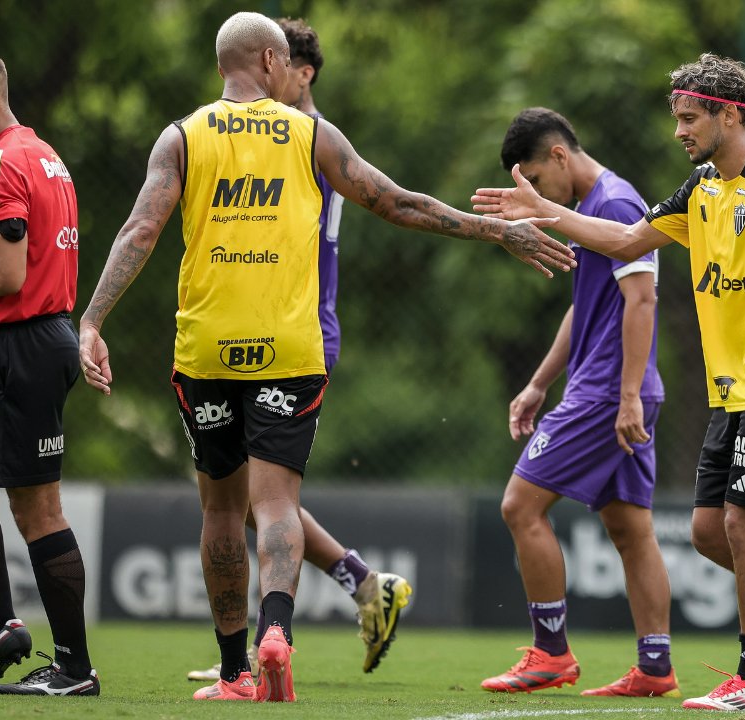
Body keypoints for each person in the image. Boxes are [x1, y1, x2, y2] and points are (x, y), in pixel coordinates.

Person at [77, 12, 573, 703]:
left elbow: (140, 228)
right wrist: (496, 230)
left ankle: (232, 673)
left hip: (208, 348)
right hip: (291, 345)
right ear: (274, 62)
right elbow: (399, 203)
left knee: (222, 511)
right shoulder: (311, 134)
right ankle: (275, 633)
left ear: (226, 65)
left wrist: (93, 319)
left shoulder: (181, 137)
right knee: (277, 501)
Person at [474, 53, 745, 713]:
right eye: (677, 117)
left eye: (690, 117)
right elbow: (627, 241)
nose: (679, 130)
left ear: (729, 113)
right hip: (734, 390)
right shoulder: (700, 187)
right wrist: (544, 214)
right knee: (706, 533)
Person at [184, 15, 412, 685]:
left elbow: (391, 203)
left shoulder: (309, 137)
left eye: (282, 62)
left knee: (255, 499)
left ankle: (306, 615)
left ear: (296, 71)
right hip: (268, 325)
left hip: (298, 324)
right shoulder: (281, 132)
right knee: (259, 499)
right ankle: (360, 590)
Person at [478, 108, 676, 698]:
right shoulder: (591, 210)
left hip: (609, 393)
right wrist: (539, 382)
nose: (535, 195)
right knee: (630, 528)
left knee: (520, 506)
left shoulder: (614, 205)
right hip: (613, 389)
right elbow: (585, 306)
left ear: (559, 157)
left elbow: (642, 303)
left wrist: (625, 398)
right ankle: (655, 665)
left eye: (536, 181)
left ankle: (551, 653)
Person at [0, 57, 99, 697]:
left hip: (18, 341)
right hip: (45, 334)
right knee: (36, 506)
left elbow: (7, 276)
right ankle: (11, 631)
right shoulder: (41, 152)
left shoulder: (4, 163)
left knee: (39, 511)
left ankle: (73, 669)